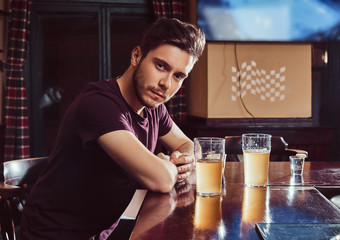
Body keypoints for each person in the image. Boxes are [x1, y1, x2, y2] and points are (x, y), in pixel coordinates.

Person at [20, 17, 206, 239]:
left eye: (178, 76)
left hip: (101, 234)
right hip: (53, 235)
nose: (166, 83)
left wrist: (181, 160)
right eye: (160, 66)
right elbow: (161, 180)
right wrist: (162, 166)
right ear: (136, 56)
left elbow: (187, 144)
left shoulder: (153, 105)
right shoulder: (99, 104)